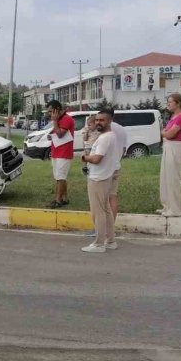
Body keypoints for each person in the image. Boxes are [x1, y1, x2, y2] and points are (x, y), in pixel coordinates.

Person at [80, 109, 118, 253]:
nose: (98, 123)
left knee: (98, 212)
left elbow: (96, 159)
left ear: (109, 121)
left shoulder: (104, 138)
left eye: (102, 120)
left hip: (98, 178)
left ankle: (99, 244)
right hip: (105, 176)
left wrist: (85, 157)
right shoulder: (110, 136)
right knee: (106, 209)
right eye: (96, 120)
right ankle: (110, 241)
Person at [158, 93, 181, 217]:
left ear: (178, 103)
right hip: (168, 146)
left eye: (170, 102)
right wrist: (165, 133)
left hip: (175, 147)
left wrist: (164, 133)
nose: (168, 104)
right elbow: (167, 132)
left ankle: (175, 209)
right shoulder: (173, 116)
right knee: (165, 178)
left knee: (173, 179)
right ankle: (167, 206)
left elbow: (170, 134)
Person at [46, 100, 75, 208]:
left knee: (60, 178)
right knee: (60, 176)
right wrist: (51, 135)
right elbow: (55, 132)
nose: (49, 114)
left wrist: (54, 121)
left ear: (57, 109)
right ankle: (64, 198)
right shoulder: (59, 119)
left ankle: (58, 200)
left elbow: (60, 134)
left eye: (50, 111)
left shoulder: (67, 119)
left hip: (64, 153)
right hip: (56, 152)